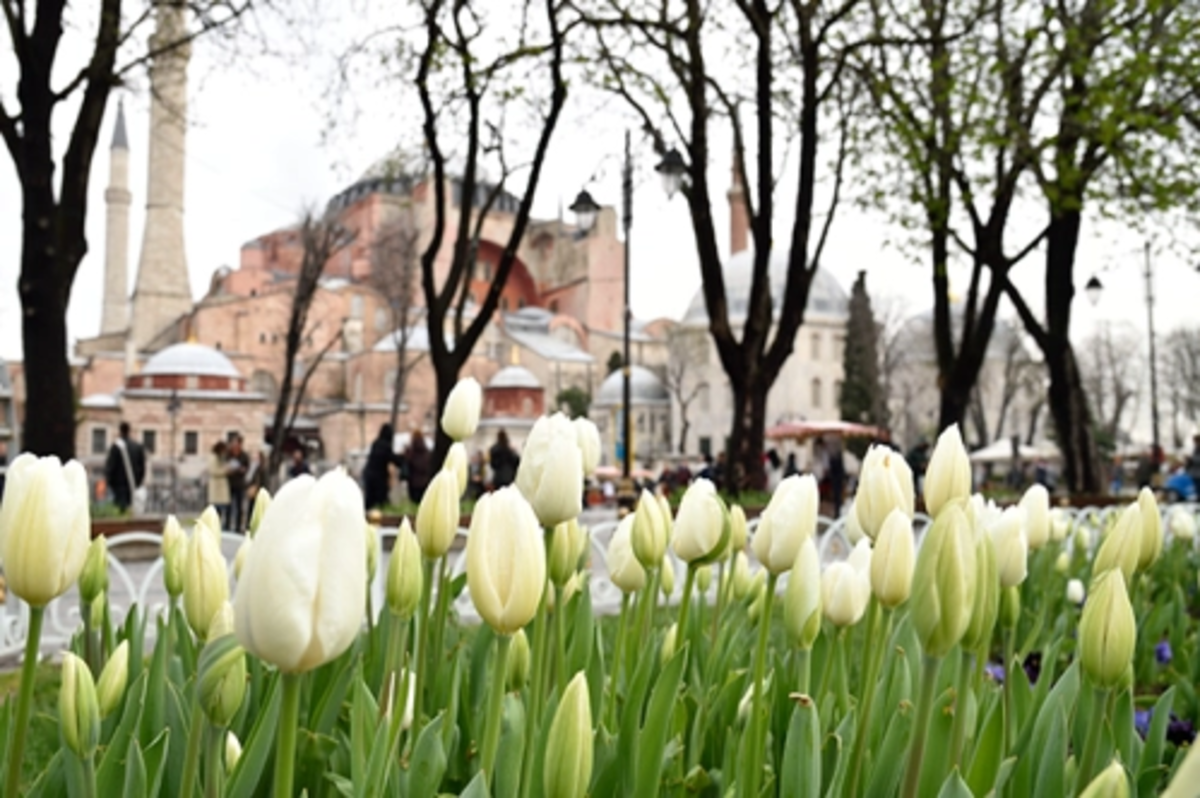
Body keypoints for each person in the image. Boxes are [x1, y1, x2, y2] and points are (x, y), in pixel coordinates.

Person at [105, 421, 146, 513]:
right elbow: (142, 468)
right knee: (132, 510)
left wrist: (110, 483)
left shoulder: (116, 447)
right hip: (133, 486)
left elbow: (110, 467)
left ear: (120, 431)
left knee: (120, 510)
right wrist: (137, 483)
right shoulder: (137, 447)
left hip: (119, 486)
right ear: (129, 431)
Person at [363, 424, 405, 510]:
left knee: (369, 500)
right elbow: (392, 458)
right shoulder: (386, 446)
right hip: (378, 477)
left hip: (369, 474)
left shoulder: (376, 444)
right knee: (381, 501)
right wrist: (403, 459)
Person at [226, 435, 250, 533]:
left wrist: (241, 469)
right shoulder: (229, 454)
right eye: (233, 443)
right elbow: (225, 465)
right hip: (230, 483)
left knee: (240, 507)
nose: (235, 445)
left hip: (240, 484)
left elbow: (247, 468)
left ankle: (238, 527)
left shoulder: (244, 455)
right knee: (229, 505)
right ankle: (227, 525)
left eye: (236, 443)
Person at [207, 441, 231, 529]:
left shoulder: (220, 458)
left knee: (222, 510)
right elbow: (213, 471)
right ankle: (215, 527)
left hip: (220, 489)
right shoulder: (213, 458)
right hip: (217, 489)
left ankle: (221, 526)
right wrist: (226, 471)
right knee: (216, 511)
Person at [405, 430, 432, 504]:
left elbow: (407, 465)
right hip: (425, 482)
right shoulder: (427, 453)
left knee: (414, 504)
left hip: (413, 484)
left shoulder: (410, 453)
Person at [828, 441, 846, 517]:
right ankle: (837, 512)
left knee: (837, 496)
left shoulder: (837, 459)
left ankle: (837, 512)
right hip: (837, 480)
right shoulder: (837, 458)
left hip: (838, 480)